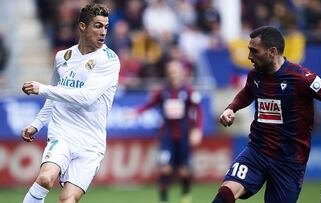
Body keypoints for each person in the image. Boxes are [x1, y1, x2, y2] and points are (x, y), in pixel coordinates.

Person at [211, 26, 321, 203]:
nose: (249, 56)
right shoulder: (255, 75)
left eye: (254, 50)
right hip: (257, 151)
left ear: (272, 51)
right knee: (227, 191)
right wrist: (231, 108)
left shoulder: (302, 78)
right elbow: (247, 92)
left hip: (289, 162)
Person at [21, 3, 120, 203]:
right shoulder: (62, 57)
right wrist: (36, 124)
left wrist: (42, 89)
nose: (103, 32)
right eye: (98, 26)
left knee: (67, 200)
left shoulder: (109, 60)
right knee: (45, 178)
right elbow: (55, 96)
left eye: (106, 27)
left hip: (91, 143)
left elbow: (87, 97)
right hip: (62, 133)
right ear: (83, 27)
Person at [134, 59, 203, 203]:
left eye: (176, 71)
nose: (173, 74)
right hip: (167, 136)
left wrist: (197, 129)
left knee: (185, 171)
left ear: (181, 73)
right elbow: (150, 103)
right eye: (171, 71)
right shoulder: (163, 91)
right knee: (165, 169)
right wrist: (136, 112)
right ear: (167, 73)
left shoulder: (188, 91)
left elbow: (198, 110)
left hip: (184, 135)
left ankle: (186, 195)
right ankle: (164, 200)